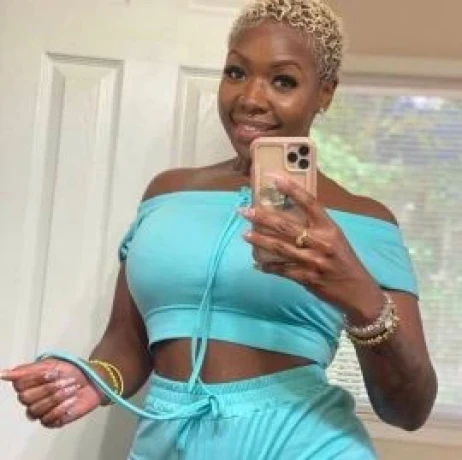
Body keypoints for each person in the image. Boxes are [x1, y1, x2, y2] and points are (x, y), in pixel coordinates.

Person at [1, 1, 437, 458]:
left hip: (303, 446)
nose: (250, 98)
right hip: (164, 445)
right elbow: (126, 343)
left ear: (324, 94)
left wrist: (361, 297)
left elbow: (409, 410)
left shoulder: (366, 221)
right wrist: (91, 379)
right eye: (236, 72)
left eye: (283, 81)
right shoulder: (167, 194)